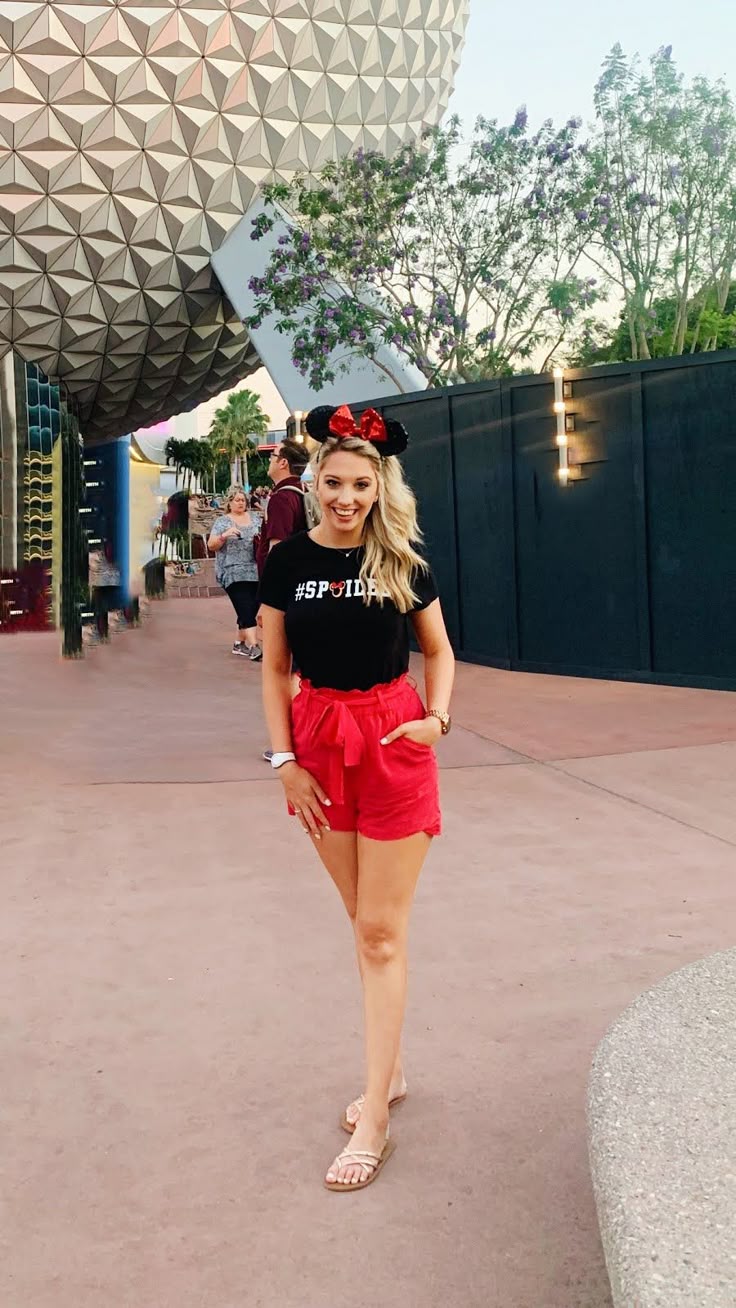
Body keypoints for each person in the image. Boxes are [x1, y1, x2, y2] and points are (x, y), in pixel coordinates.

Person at [259, 403, 455, 1192]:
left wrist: (436, 721)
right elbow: (274, 669)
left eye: (359, 484)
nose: (345, 497)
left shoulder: (402, 560)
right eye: (332, 482)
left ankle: (375, 1113)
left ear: (381, 486)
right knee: (361, 920)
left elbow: (438, 652)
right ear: (314, 484)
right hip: (317, 747)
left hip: (392, 740)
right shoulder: (286, 560)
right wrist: (284, 760)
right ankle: (394, 1068)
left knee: (380, 930)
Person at [256, 439, 311, 757]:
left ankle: (289, 741)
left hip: (285, 594)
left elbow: (277, 548)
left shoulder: (280, 499)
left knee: (284, 669)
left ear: (283, 463)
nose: (271, 461)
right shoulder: (302, 496)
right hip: (302, 589)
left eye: (274, 456)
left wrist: (268, 601)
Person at [208, 486, 263, 660]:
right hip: (232, 571)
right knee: (245, 607)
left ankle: (239, 644)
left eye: (243, 500)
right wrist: (224, 536)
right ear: (230, 502)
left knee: (250, 608)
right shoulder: (223, 522)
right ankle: (254, 646)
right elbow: (211, 545)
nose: (240, 503)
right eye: (237, 500)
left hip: (255, 569)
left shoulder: (256, 519)